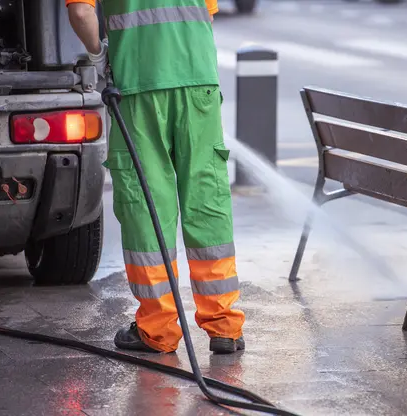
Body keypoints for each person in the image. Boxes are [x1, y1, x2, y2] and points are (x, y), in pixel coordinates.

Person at [66, 0, 246, 354]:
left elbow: (82, 12)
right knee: (206, 198)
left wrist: (100, 55)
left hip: (138, 85)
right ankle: (224, 325)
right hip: (198, 81)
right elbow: (207, 12)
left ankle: (158, 328)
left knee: (147, 205)